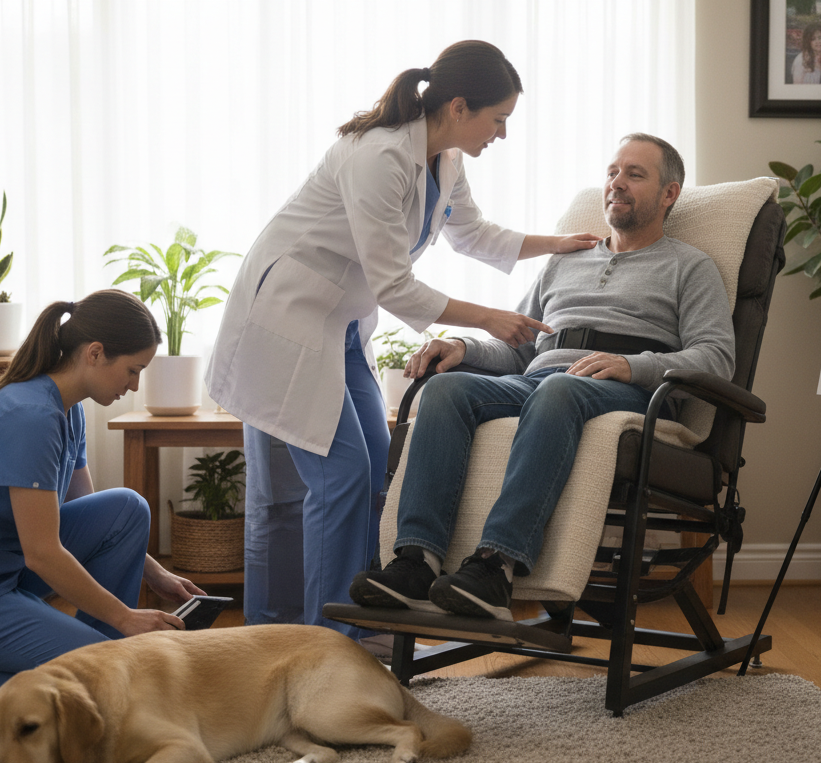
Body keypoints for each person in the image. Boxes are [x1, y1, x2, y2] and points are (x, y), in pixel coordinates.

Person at [205, 40, 598, 654]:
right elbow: (395, 286)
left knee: (373, 472)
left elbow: (472, 234)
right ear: (459, 107)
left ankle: (356, 625)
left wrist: (556, 244)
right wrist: (491, 319)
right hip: (285, 320)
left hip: (338, 325)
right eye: (498, 119)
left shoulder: (445, 158)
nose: (501, 133)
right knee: (330, 480)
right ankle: (322, 643)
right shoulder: (380, 155)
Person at [348, 133, 734, 621]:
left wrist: (632, 365)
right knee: (446, 388)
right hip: (539, 380)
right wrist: (464, 347)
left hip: (624, 392)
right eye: (612, 172)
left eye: (635, 175)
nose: (617, 183)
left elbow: (716, 356)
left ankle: (496, 566)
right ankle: (415, 562)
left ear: (669, 194)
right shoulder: (564, 262)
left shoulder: (690, 267)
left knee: (558, 389)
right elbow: (520, 347)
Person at [0, 288, 205, 710]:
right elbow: (42, 553)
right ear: (95, 353)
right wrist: (126, 617)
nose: (134, 386)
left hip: (2, 569)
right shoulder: (29, 415)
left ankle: (102, 653)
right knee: (103, 679)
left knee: (127, 508)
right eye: (133, 370)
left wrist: (155, 573)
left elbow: (93, 513)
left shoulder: (69, 409)